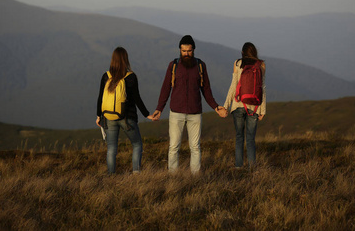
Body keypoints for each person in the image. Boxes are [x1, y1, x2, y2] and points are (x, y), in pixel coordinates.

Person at [152, 35, 227, 174]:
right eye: (183, 51)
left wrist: (216, 107)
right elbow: (165, 88)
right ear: (179, 50)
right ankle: (172, 177)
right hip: (176, 113)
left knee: (195, 147)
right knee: (174, 146)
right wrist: (159, 109)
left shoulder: (200, 65)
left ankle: (195, 177)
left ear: (194, 50)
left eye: (189, 51)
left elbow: (206, 89)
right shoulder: (173, 65)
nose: (186, 54)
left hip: (195, 113)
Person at [96, 47, 153, 174]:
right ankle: (136, 174)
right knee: (137, 144)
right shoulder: (131, 77)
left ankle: (111, 175)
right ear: (125, 59)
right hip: (127, 118)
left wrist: (99, 116)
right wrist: (147, 114)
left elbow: (100, 97)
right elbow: (137, 98)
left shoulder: (106, 76)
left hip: (108, 117)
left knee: (111, 148)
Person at [223, 42, 266, 168]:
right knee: (251, 139)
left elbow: (233, 86)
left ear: (242, 53)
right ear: (255, 52)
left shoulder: (238, 63)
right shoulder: (261, 65)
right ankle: (252, 168)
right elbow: (262, 87)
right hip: (254, 107)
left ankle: (238, 167)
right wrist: (262, 110)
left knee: (239, 137)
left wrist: (226, 105)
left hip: (238, 105)